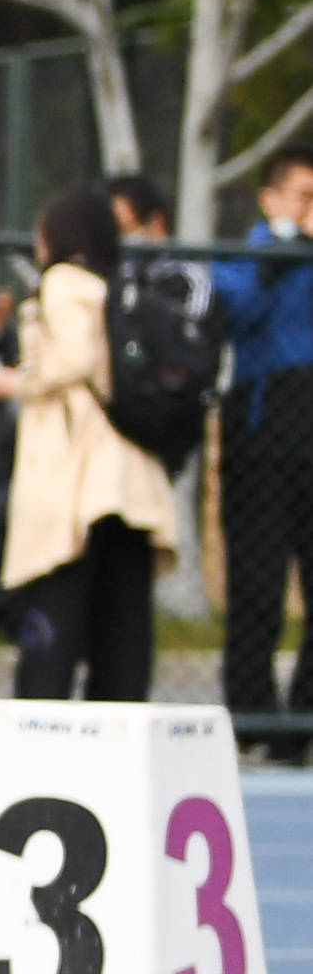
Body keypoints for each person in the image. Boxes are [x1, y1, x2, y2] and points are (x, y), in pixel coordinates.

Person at [0, 188, 175, 703]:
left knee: (55, 620)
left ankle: (40, 739)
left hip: (75, 487)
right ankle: (118, 732)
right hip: (127, 483)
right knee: (123, 626)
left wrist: (17, 381)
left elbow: (72, 358)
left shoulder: (63, 284)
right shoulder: (115, 286)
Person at [213, 142, 313, 739]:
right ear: (270, 200)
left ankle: (304, 720)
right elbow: (235, 310)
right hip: (262, 439)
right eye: (303, 197)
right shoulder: (245, 255)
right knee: (258, 586)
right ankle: (252, 720)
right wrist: (280, 253)